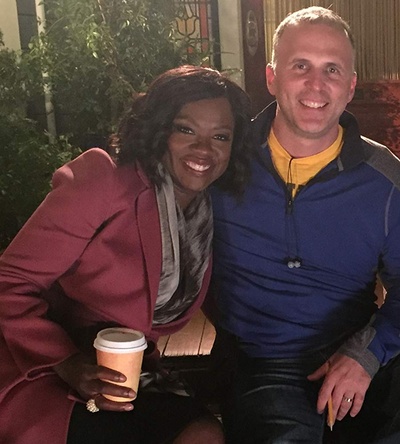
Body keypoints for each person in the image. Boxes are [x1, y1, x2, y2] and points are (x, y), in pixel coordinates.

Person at [0, 65, 252, 444]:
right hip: (46, 370)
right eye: (185, 130)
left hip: (128, 374)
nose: (204, 148)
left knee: (204, 434)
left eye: (220, 136)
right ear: (160, 129)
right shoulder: (105, 180)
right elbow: (9, 282)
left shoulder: (211, 210)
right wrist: (67, 362)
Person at [210, 7, 400, 444]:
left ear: (350, 86)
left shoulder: (385, 180)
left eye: (332, 69)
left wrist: (367, 352)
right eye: (301, 66)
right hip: (262, 362)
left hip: (358, 347)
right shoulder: (224, 162)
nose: (317, 84)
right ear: (272, 77)